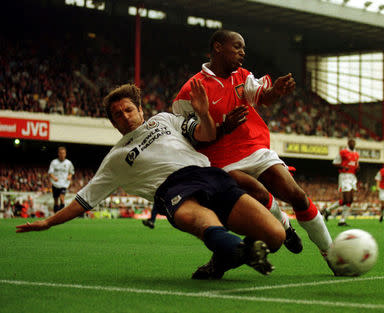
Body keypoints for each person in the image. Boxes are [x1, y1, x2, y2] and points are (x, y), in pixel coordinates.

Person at [16, 82, 286, 279]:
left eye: (128, 110)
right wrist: (48, 222)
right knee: (201, 220)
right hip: (173, 189)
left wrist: (203, 113)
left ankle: (226, 257)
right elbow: (83, 200)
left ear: (140, 110)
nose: (125, 116)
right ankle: (238, 250)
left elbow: (205, 135)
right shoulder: (116, 158)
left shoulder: (165, 119)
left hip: (208, 175)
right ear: (113, 123)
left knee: (276, 236)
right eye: (118, 115)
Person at [173, 30, 334, 275]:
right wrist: (222, 129)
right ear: (218, 47)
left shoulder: (243, 76)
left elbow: (263, 97)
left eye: (244, 48)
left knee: (297, 195)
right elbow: (190, 140)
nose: (242, 53)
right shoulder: (190, 91)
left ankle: (332, 255)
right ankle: (284, 227)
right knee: (258, 193)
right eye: (237, 47)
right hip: (220, 162)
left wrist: (276, 92)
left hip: (254, 148)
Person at [324, 138, 359, 226]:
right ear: (348, 143)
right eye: (351, 142)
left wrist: (357, 168)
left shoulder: (356, 154)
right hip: (344, 176)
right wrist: (343, 167)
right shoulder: (343, 152)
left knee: (349, 200)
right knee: (346, 199)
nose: (353, 144)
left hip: (352, 177)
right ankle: (329, 210)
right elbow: (335, 163)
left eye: (354, 142)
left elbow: (356, 164)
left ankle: (340, 219)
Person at [48, 146, 74, 214]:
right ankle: (55, 214)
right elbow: (50, 172)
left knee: (62, 198)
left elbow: (71, 172)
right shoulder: (54, 162)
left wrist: (69, 176)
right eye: (61, 153)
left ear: (65, 154)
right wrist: (54, 178)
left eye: (63, 153)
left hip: (64, 184)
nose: (62, 154)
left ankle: (61, 215)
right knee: (56, 200)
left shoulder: (68, 163)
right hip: (55, 184)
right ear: (58, 154)